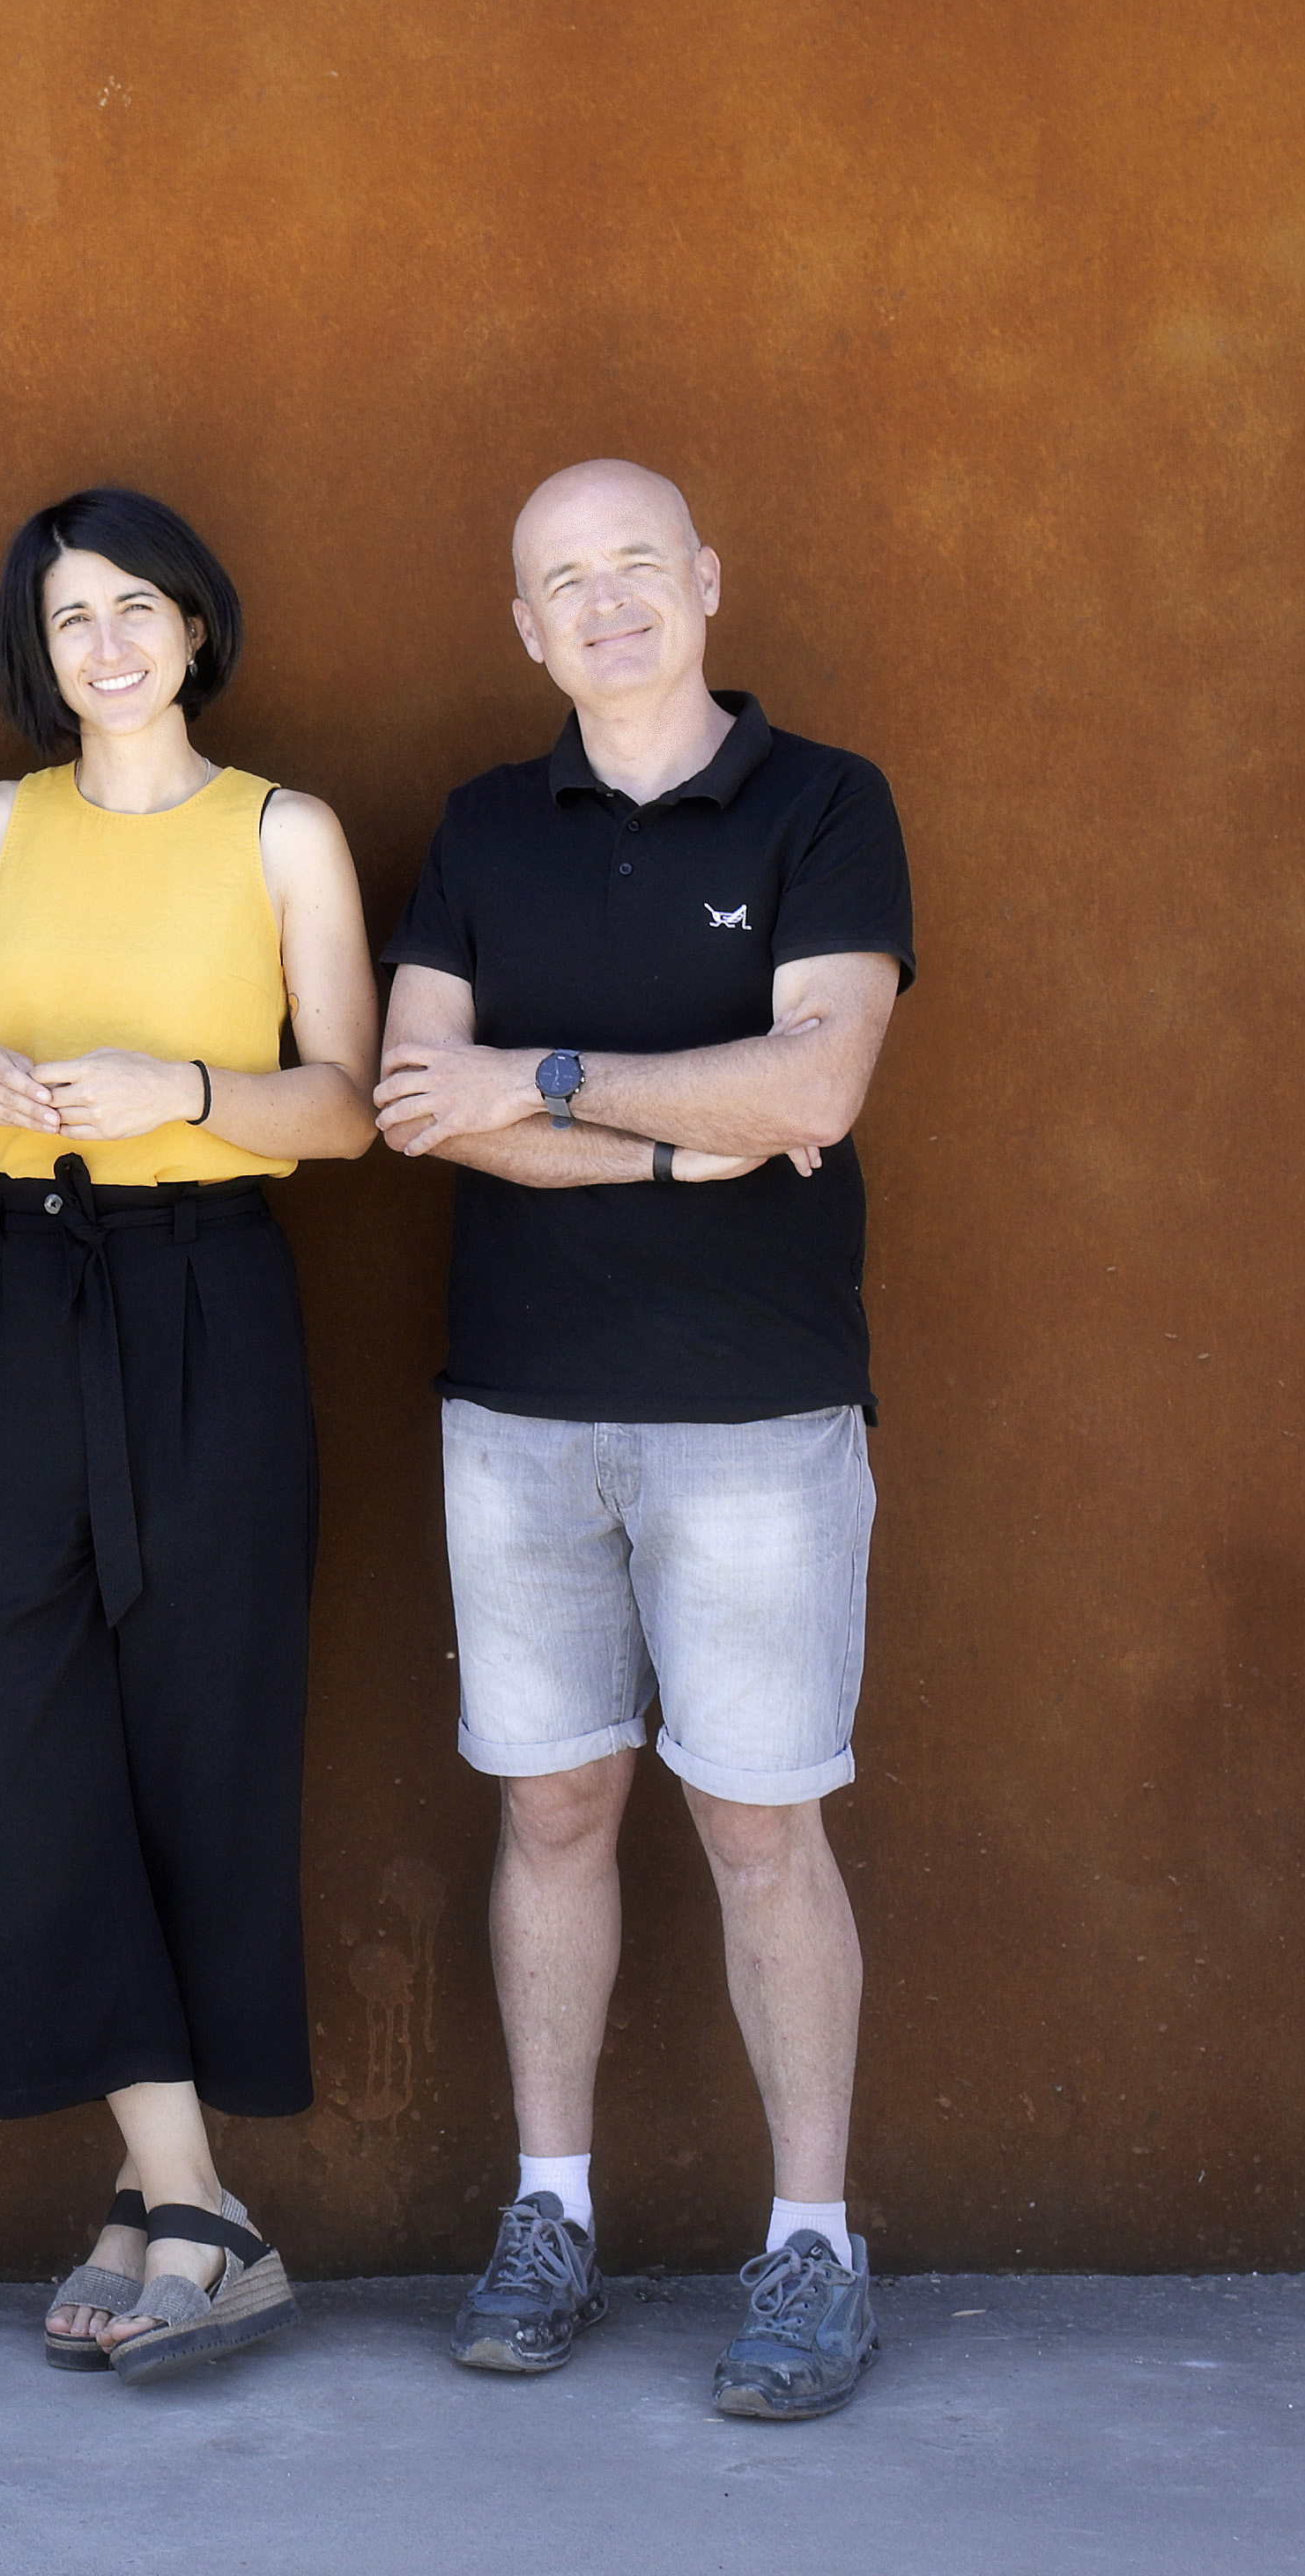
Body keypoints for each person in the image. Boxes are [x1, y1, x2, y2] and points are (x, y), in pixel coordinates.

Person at [373, 457, 913, 2421]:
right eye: (561, 582)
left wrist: (557, 1083)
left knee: (763, 1827)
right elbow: (418, 1098)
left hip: (757, 1416)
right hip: (518, 1412)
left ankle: (814, 2243)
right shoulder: (481, 828)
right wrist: (693, 1133)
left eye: (634, 567)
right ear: (524, 627)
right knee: (552, 1809)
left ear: (706, 576)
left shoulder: (827, 805)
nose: (604, 604)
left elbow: (826, 1077)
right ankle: (551, 2210)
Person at [0, 488, 378, 2380]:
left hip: (210, 1291)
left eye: (135, 608)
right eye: (67, 617)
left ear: (198, 624)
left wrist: (183, 1083)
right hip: (26, 1286)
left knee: (203, 1724)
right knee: (24, 1728)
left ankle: (154, 2194)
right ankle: (194, 2196)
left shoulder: (287, 833)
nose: (102, 644)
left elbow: (348, 1110)